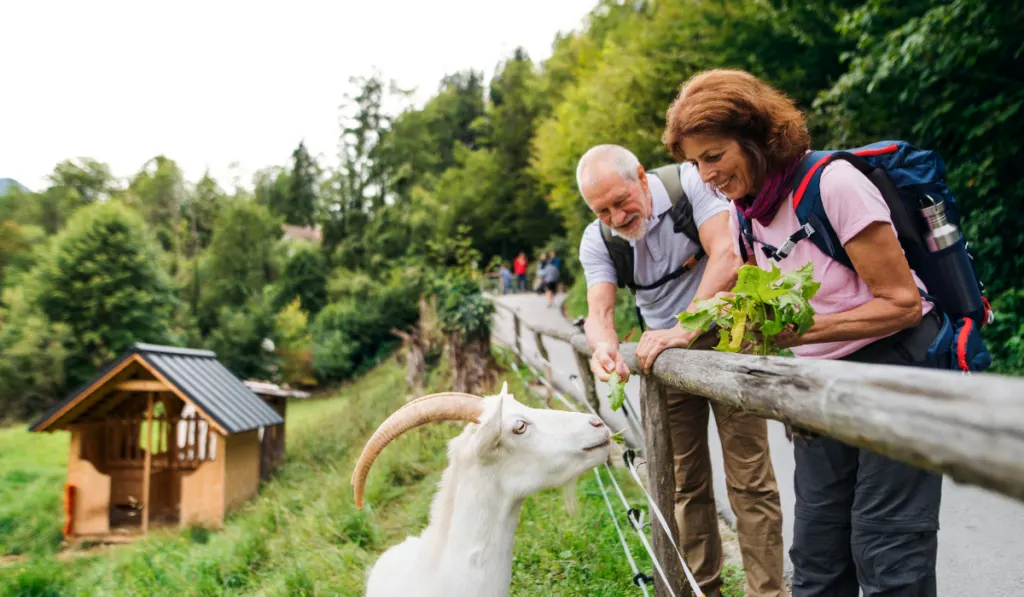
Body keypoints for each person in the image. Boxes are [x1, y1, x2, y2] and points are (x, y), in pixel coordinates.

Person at [662, 68, 945, 597]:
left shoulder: (833, 185)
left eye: (715, 156)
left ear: (757, 138)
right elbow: (742, 294)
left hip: (899, 368)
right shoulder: (745, 211)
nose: (705, 175)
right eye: (696, 163)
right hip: (821, 383)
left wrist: (799, 333)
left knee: (888, 554)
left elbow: (903, 303)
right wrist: (683, 330)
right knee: (816, 560)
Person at [576, 144, 786, 597]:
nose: (615, 216)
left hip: (728, 335)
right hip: (664, 357)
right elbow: (600, 313)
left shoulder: (690, 184)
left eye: (621, 201)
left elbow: (727, 255)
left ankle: (768, 593)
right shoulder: (597, 240)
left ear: (641, 176)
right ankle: (702, 589)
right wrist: (603, 349)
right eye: (603, 210)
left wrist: (683, 327)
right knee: (685, 483)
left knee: (750, 480)